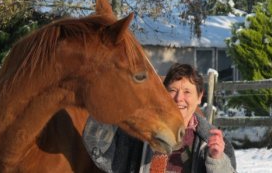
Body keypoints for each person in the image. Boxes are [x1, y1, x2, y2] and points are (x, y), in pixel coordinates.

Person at [83, 63, 236, 173]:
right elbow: (102, 153)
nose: (178, 98)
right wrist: (108, 100)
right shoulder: (141, 132)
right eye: (173, 90)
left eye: (187, 92)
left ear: (199, 97)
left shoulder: (213, 142)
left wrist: (216, 159)